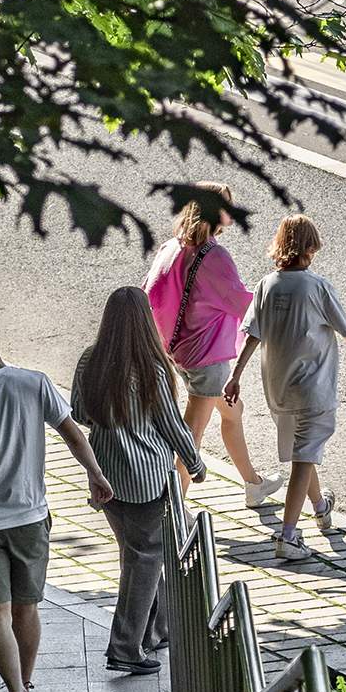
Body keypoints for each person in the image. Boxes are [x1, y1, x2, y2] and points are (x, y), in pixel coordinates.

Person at [0, 303, 114, 692]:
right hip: (31, 515)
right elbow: (73, 434)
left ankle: (16, 691)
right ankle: (26, 678)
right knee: (28, 606)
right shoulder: (34, 382)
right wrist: (95, 474)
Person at [72, 286, 206, 677]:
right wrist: (195, 464)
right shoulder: (152, 365)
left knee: (137, 553)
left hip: (107, 477)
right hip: (148, 477)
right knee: (145, 558)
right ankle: (126, 645)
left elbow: (80, 412)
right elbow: (170, 424)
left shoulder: (89, 360)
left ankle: (159, 628)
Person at [225, 215, 346, 561]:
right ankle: (288, 536)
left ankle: (320, 507)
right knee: (304, 457)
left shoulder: (266, 284)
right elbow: (344, 325)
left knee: (304, 450)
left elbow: (252, 335)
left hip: (278, 390)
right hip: (312, 387)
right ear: (308, 248)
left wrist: (236, 375)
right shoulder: (316, 286)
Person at [143, 181, 284, 507]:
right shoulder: (214, 256)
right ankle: (172, 512)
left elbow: (150, 296)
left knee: (234, 413)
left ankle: (253, 484)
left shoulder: (171, 248)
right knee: (191, 436)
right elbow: (241, 303)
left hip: (178, 352)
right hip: (207, 358)